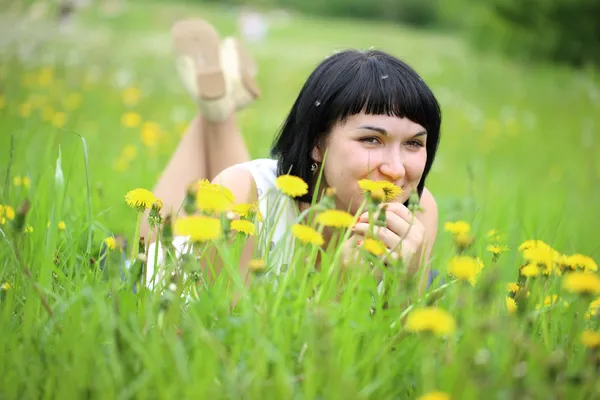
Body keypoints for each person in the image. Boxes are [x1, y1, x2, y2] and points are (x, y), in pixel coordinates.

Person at [145, 18, 441, 290]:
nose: (396, 170)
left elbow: (406, 343)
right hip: (165, 291)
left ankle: (217, 109)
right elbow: (230, 336)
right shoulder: (240, 192)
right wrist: (339, 284)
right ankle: (216, 111)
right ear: (317, 142)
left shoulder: (418, 211)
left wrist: (410, 282)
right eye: (372, 139)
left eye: (414, 144)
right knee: (149, 246)